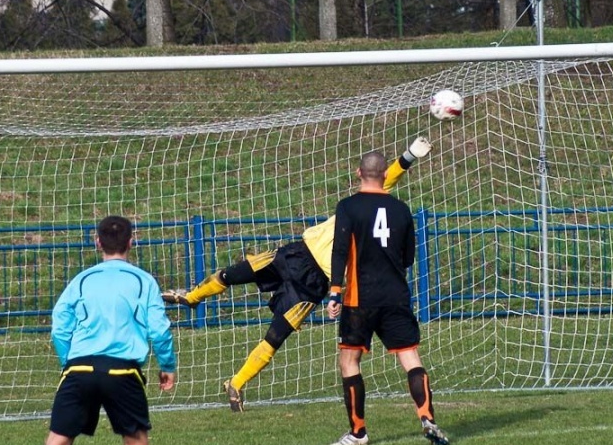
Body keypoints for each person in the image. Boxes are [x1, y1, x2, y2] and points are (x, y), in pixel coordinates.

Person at [163, 137, 432, 412]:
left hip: (315, 284)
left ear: (359, 174)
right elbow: (387, 176)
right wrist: (409, 155)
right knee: (233, 274)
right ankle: (192, 297)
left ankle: (236, 383)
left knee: (275, 336)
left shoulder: (368, 210)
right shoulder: (356, 205)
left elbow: (385, 178)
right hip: (296, 255)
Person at [13, 215, 176, 445]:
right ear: (132, 241)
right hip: (122, 371)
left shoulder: (82, 281)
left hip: (80, 370)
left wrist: (68, 360)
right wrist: (167, 364)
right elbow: (159, 329)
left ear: (97, 242)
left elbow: (59, 324)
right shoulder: (143, 281)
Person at [326, 151, 448, 445]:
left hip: (359, 299)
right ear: (384, 175)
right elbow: (408, 257)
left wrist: (334, 292)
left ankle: (358, 433)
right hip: (395, 296)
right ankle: (427, 417)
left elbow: (340, 250)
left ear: (358, 173)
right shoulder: (401, 209)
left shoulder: (348, 207)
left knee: (350, 361)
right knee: (411, 359)